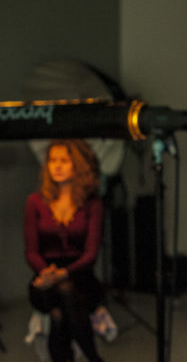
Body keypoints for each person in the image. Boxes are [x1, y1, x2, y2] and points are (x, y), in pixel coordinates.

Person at [24, 139, 104, 362]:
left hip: (81, 277)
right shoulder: (35, 202)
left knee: (60, 313)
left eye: (64, 161)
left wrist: (64, 274)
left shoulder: (92, 204)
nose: (57, 166)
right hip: (45, 278)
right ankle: (95, 359)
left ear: (77, 165)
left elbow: (91, 254)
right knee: (62, 294)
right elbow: (31, 251)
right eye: (52, 161)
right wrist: (48, 274)